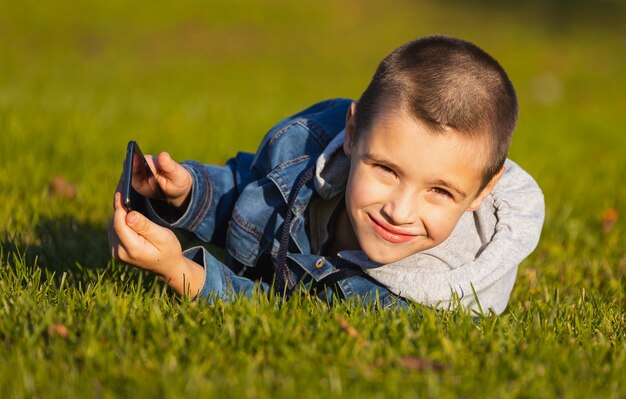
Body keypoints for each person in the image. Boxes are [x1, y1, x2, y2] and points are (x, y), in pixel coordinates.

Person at [108, 35, 544, 315]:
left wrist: (181, 271)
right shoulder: (310, 141)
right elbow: (248, 188)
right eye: (386, 169)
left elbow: (292, 314)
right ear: (352, 133)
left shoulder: (429, 296)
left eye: (439, 191)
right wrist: (186, 193)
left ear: (483, 193)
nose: (399, 210)